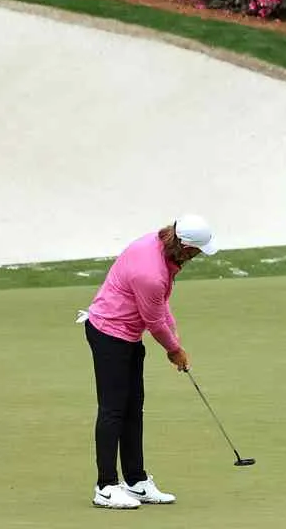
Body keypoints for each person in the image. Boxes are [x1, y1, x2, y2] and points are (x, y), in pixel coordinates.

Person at [76, 215, 220, 510]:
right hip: (108, 334)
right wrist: (174, 350)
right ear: (185, 247)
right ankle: (105, 487)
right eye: (196, 251)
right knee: (113, 410)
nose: (197, 256)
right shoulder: (151, 273)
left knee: (133, 409)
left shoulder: (160, 246)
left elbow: (160, 305)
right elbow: (154, 322)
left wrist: (175, 337)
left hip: (128, 335)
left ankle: (135, 480)